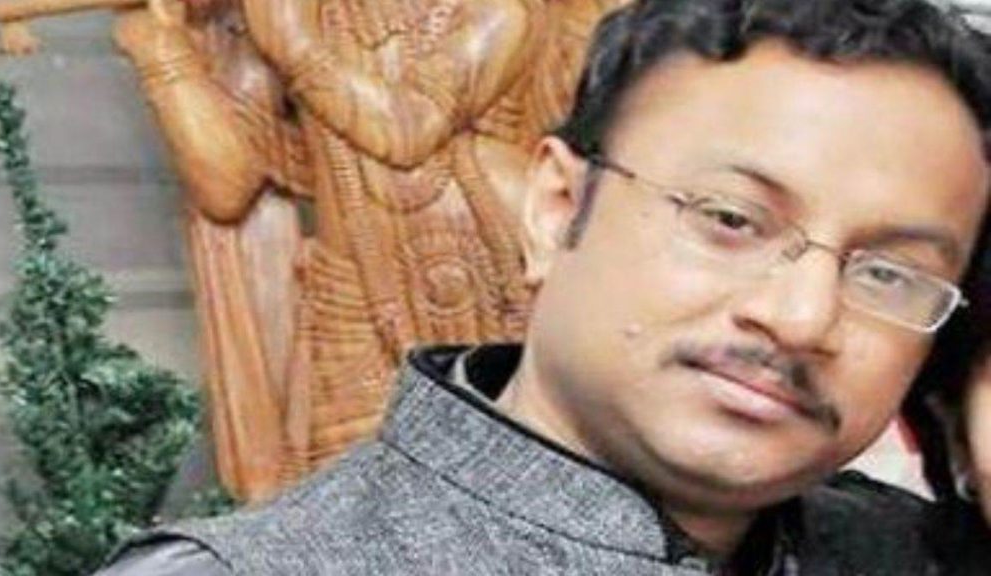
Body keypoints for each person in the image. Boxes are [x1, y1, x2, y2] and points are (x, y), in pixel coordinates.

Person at [96, 0, 991, 573]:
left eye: (889, 273)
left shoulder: (908, 552)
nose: (798, 317)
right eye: (730, 219)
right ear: (556, 208)